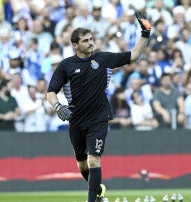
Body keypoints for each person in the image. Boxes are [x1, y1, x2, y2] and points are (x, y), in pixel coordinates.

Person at [46, 11, 151, 202]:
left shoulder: (104, 59)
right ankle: (98, 190)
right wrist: (58, 107)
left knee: (94, 158)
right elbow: (50, 92)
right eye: (85, 40)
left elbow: (134, 55)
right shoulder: (66, 65)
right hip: (76, 120)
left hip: (99, 118)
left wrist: (145, 32)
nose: (90, 42)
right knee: (81, 163)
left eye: (91, 39)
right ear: (75, 45)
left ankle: (92, 200)